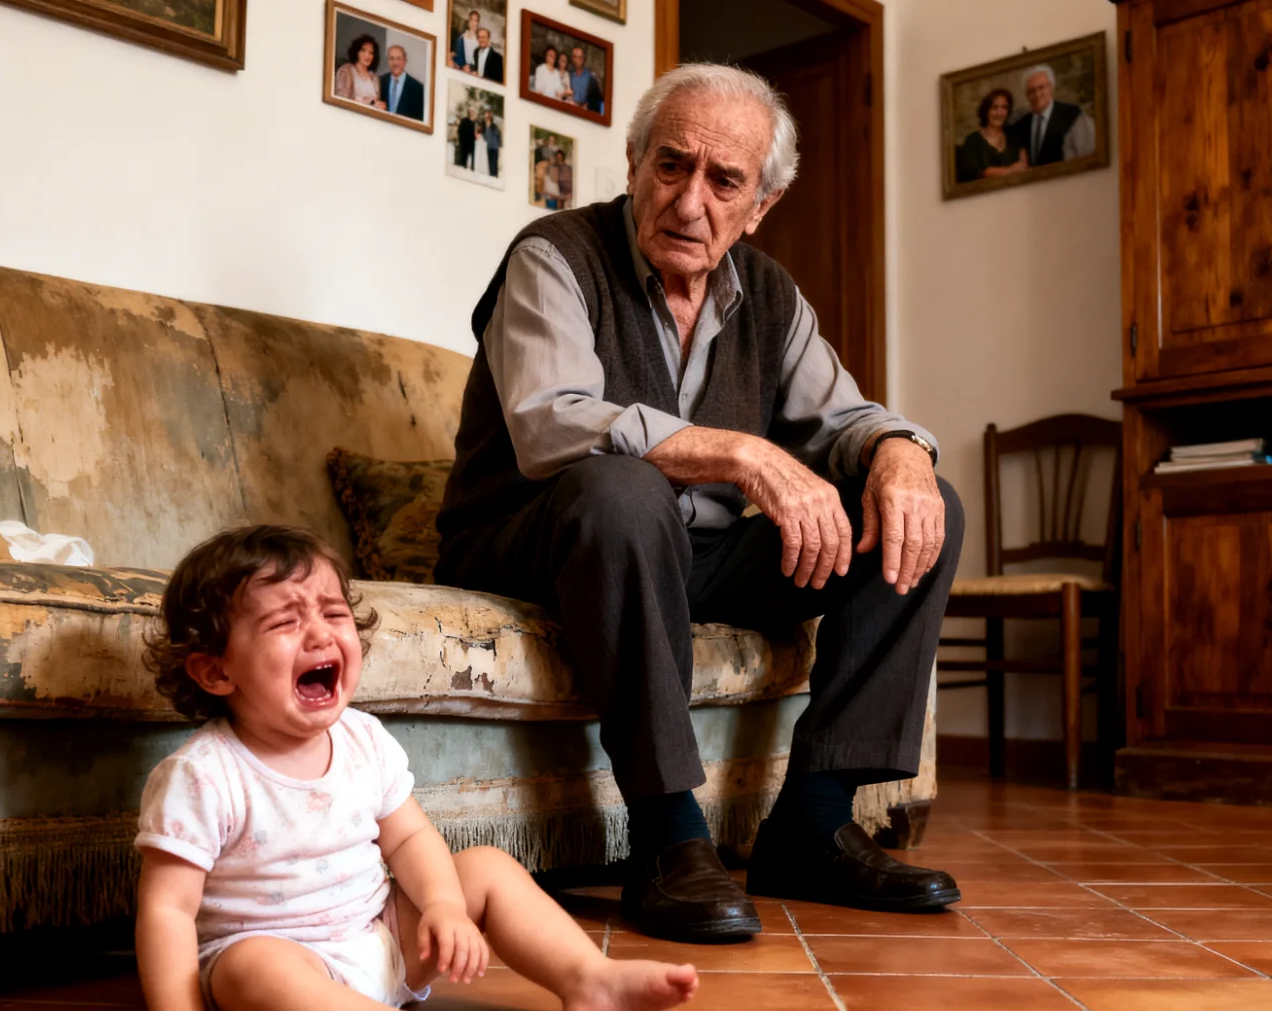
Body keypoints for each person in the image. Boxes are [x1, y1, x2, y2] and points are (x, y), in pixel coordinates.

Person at [434, 63, 963, 944]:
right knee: (621, 489)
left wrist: (901, 452)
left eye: (725, 181)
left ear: (761, 203)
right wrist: (743, 452)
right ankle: (668, 836)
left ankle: (815, 820)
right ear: (635, 162)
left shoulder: (770, 295)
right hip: (536, 539)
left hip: (687, 559)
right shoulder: (553, 255)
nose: (691, 202)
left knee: (920, 505)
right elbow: (547, 423)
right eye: (672, 166)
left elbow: (848, 417)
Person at [134, 526, 701, 1011]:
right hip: (284, 969)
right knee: (252, 966)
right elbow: (167, 911)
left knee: (485, 866)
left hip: (385, 941)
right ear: (215, 672)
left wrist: (444, 907)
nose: (320, 632)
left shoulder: (363, 739)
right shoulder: (203, 775)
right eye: (283, 623)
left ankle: (589, 981)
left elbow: (409, 837)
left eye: (334, 613)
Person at [1008, 64, 1095, 167]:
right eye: (1031, 91)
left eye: (1041, 88)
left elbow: (1090, 155)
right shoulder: (1020, 126)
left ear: (1051, 87)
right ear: (1026, 95)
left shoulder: (1073, 115)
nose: (1037, 94)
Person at [955, 87, 1028, 182]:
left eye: (1004, 107)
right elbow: (975, 173)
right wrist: (1010, 170)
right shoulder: (972, 140)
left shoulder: (1015, 136)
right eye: (994, 107)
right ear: (986, 111)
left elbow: (1023, 166)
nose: (999, 113)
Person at [333, 34, 383, 110]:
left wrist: (381, 106)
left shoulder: (375, 78)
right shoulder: (345, 71)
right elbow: (340, 100)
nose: (367, 55)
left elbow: (376, 104)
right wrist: (366, 102)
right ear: (356, 52)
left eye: (371, 53)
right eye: (363, 50)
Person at [380, 45, 425, 121]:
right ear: (388, 61)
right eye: (391, 58)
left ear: (405, 61)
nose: (395, 63)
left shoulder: (418, 88)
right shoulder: (380, 81)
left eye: (399, 58)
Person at [566, 46, 604, 114]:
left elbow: (597, 102)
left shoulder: (591, 78)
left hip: (584, 113)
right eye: (575, 57)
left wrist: (588, 106)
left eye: (580, 57)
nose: (577, 60)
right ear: (572, 58)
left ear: (584, 59)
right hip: (569, 110)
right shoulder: (568, 75)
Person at [481, 110, 502, 178]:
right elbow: (484, 137)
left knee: (494, 163)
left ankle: (495, 176)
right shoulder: (484, 127)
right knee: (489, 162)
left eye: (487, 117)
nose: (486, 119)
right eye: (486, 118)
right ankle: (491, 175)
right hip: (488, 147)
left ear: (490, 118)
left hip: (495, 147)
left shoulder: (494, 127)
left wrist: (499, 145)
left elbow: (498, 136)